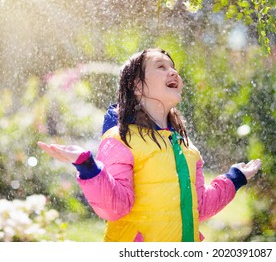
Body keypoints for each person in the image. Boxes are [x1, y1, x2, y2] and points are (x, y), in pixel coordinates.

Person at [37, 48, 261, 242]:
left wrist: (234, 178)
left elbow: (199, 207)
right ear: (137, 86)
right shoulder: (121, 139)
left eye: (173, 68)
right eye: (161, 67)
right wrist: (87, 165)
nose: (173, 72)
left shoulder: (187, 147)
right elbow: (114, 207)